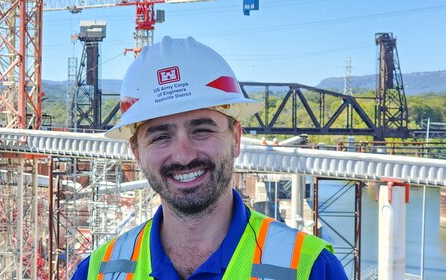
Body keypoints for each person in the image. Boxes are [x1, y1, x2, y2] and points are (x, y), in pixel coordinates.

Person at [72, 36, 347, 280]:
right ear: (137, 154)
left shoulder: (311, 269)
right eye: (160, 137)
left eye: (201, 130)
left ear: (236, 138)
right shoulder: (96, 273)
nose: (183, 155)